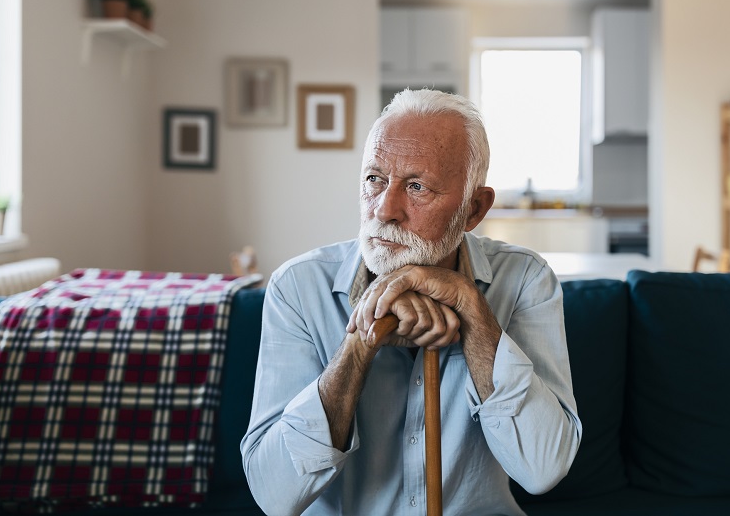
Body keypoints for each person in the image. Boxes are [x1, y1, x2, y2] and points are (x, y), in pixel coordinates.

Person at [240, 89, 581, 516]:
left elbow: (542, 468)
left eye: (417, 187)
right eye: (374, 179)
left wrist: (471, 307)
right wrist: (361, 341)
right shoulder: (297, 286)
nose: (385, 209)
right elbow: (275, 496)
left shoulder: (526, 279)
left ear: (474, 209)